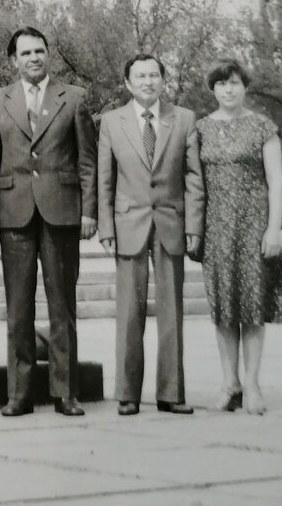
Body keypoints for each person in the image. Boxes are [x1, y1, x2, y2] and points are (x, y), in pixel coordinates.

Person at [0, 27, 97, 418]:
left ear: (49, 56)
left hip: (61, 213)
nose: (34, 58)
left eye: (40, 51)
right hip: (15, 213)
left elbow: (87, 162)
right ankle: (20, 394)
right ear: (13, 60)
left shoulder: (74, 98)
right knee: (18, 307)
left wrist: (89, 212)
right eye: (26, 53)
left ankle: (66, 392)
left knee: (62, 305)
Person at [98, 53, 204, 416]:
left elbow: (193, 177)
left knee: (172, 313)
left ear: (163, 80)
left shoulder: (185, 119)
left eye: (154, 75)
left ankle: (171, 393)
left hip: (171, 222)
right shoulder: (112, 122)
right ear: (127, 83)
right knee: (129, 312)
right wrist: (106, 227)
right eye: (140, 76)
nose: (148, 82)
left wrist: (193, 225)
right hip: (129, 224)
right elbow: (105, 180)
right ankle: (127, 393)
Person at [198, 58, 282, 414]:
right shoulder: (201, 128)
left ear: (245, 86)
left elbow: (276, 181)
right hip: (216, 229)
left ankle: (251, 383)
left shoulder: (262, 127)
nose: (228, 89)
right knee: (223, 308)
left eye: (235, 83)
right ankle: (229, 383)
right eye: (221, 84)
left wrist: (274, 229)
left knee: (252, 308)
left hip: (254, 227)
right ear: (213, 89)